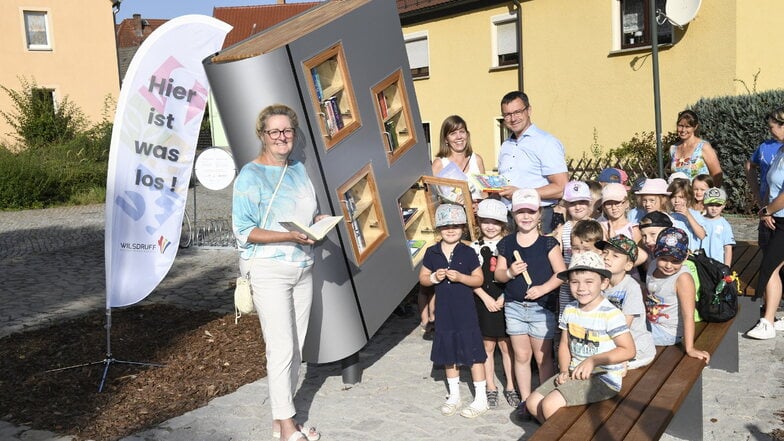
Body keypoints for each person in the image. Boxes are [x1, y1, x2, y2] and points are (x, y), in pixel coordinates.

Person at [232, 104, 324, 441]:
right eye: (275, 132)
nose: (282, 137)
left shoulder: (298, 168)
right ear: (262, 135)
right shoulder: (250, 175)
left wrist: (316, 224)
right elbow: (244, 230)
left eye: (287, 131)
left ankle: (279, 420)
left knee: (296, 347)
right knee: (281, 348)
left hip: (303, 266)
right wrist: (288, 234)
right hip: (269, 269)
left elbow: (305, 212)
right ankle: (288, 427)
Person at [525, 251, 635, 423]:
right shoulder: (570, 309)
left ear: (604, 282)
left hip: (603, 377)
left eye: (589, 282)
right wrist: (563, 370)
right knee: (532, 403)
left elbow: (628, 350)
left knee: (549, 405)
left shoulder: (610, 314)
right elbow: (564, 344)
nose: (581, 288)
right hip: (573, 372)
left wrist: (594, 360)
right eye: (575, 282)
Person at [494, 188, 566, 420]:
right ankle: (526, 401)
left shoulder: (549, 244)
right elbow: (498, 277)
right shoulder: (506, 243)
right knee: (521, 356)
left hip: (541, 309)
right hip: (514, 307)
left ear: (539, 214)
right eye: (520, 212)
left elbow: (561, 273)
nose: (526, 216)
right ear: (513, 214)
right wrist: (510, 272)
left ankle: (544, 400)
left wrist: (543, 288)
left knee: (543, 358)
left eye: (530, 211)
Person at [418, 204, 489, 418]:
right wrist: (433, 278)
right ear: (439, 229)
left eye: (456, 226)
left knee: (474, 354)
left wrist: (461, 278)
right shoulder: (432, 252)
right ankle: (455, 395)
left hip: (466, 311)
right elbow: (422, 278)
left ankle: (481, 398)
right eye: (446, 226)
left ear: (463, 228)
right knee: (449, 353)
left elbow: (479, 279)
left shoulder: (468, 252)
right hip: (444, 312)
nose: (451, 230)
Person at [497, 91, 569, 234]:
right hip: (508, 217)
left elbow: (562, 187)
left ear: (529, 110)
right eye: (507, 114)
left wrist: (521, 193)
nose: (513, 118)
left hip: (538, 217)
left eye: (517, 112)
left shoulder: (546, 142)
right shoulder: (506, 145)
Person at [470, 199, 518, 409]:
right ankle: (491, 386)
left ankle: (511, 385)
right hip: (483, 300)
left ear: (503, 224)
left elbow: (517, 276)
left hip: (506, 298)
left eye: (495, 222)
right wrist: (485, 297)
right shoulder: (473, 247)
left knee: (507, 347)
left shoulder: (510, 245)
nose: (490, 226)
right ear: (479, 222)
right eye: (486, 221)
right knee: (487, 346)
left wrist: (503, 298)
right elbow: (469, 277)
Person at [645, 227, 711, 362]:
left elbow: (688, 315)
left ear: (685, 257)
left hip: (668, 332)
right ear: (655, 253)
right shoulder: (653, 265)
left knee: (625, 335)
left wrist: (690, 348)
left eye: (675, 261)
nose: (669, 265)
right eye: (663, 258)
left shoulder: (683, 279)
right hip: (651, 322)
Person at [747, 107, 784, 340]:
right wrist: (766, 210)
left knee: (770, 268)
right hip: (776, 219)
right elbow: (772, 184)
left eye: (772, 126)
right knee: (777, 269)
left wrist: (766, 210)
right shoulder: (780, 151)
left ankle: (767, 322)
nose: (770, 131)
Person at [597, 235, 655, 370]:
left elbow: (624, 326)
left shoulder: (630, 287)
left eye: (615, 256)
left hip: (636, 349)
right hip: (609, 343)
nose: (606, 257)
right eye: (605, 252)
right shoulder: (598, 283)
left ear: (628, 265)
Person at [552, 181, 594, 322]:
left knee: (591, 315)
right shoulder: (563, 229)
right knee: (568, 316)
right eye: (573, 203)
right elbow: (556, 253)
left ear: (589, 203)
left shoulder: (597, 226)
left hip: (591, 280)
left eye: (582, 202)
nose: (577, 207)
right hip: (569, 282)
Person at [745, 108, 784, 252]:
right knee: (768, 257)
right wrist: (760, 200)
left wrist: (769, 210)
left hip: (779, 214)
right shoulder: (765, 147)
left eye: (771, 127)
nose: (769, 131)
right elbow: (749, 165)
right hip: (767, 210)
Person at [432, 115, 486, 203]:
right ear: (446, 139)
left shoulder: (477, 160)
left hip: (477, 215)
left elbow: (484, 194)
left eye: (462, 132)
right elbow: (432, 198)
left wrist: (479, 206)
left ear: (467, 135)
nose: (459, 137)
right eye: (453, 133)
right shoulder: (439, 164)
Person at [669, 110, 722, 186]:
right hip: (680, 196)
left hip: (700, 195)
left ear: (695, 127)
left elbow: (717, 174)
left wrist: (712, 195)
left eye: (687, 127)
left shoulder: (703, 147)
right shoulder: (673, 149)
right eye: (680, 126)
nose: (683, 130)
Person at [667, 178, 706, 251]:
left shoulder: (694, 214)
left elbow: (702, 235)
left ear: (688, 198)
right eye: (673, 197)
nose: (677, 201)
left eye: (681, 197)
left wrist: (687, 214)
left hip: (691, 254)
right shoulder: (668, 216)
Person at [701, 187, 735, 266]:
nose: (714, 208)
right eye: (710, 205)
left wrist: (726, 267)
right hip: (700, 262)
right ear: (704, 204)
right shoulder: (699, 220)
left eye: (718, 205)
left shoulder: (724, 225)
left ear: (723, 205)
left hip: (717, 264)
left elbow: (728, 248)